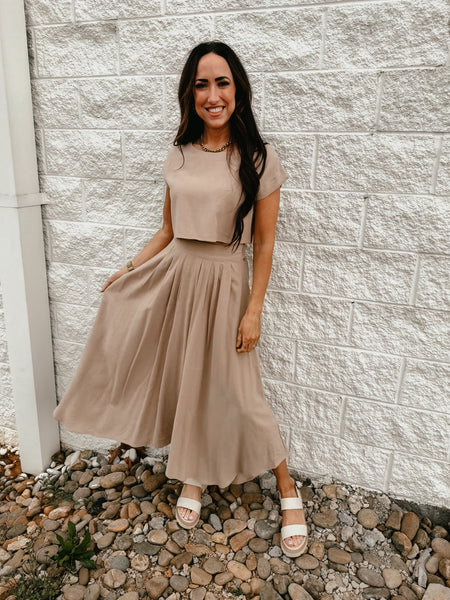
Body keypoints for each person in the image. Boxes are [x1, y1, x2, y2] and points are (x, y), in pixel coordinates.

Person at [52, 41, 308, 558]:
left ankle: (287, 489)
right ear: (190, 94)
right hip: (177, 276)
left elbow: (264, 244)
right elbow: (168, 230)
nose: (212, 95)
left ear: (238, 90)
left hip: (225, 282)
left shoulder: (259, 158)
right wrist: (129, 270)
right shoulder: (179, 154)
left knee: (240, 392)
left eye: (222, 83)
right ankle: (192, 475)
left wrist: (254, 309)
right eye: (201, 85)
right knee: (188, 379)